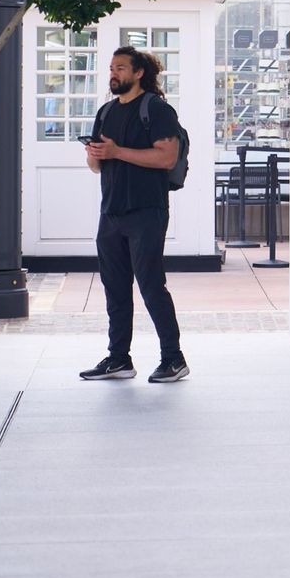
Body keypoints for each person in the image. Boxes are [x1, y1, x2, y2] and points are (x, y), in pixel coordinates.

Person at [78, 46, 190, 383]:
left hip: (146, 210)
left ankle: (174, 358)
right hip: (111, 211)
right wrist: (96, 153)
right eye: (112, 68)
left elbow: (166, 158)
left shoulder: (155, 110)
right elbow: (97, 167)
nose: (114, 73)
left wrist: (116, 151)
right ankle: (118, 359)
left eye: (121, 68)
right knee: (114, 288)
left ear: (139, 72)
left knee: (152, 286)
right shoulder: (105, 112)